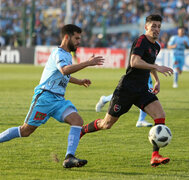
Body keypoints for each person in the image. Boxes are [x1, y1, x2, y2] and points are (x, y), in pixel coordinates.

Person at [0, 24, 105, 168]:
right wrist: (87, 63)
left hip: (58, 100)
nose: (79, 41)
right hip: (45, 98)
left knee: (77, 120)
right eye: (76, 38)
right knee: (25, 131)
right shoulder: (58, 53)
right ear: (67, 37)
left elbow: (63, 75)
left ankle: (69, 157)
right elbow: (64, 70)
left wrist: (79, 81)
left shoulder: (67, 55)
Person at [80, 14, 173, 167]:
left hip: (142, 89)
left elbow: (149, 63)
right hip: (126, 89)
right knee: (106, 124)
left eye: (159, 27)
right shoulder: (141, 40)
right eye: (153, 26)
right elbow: (135, 62)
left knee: (160, 115)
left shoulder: (156, 46)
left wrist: (156, 79)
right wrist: (156, 67)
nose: (156, 29)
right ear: (146, 27)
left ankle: (155, 156)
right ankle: (82, 130)